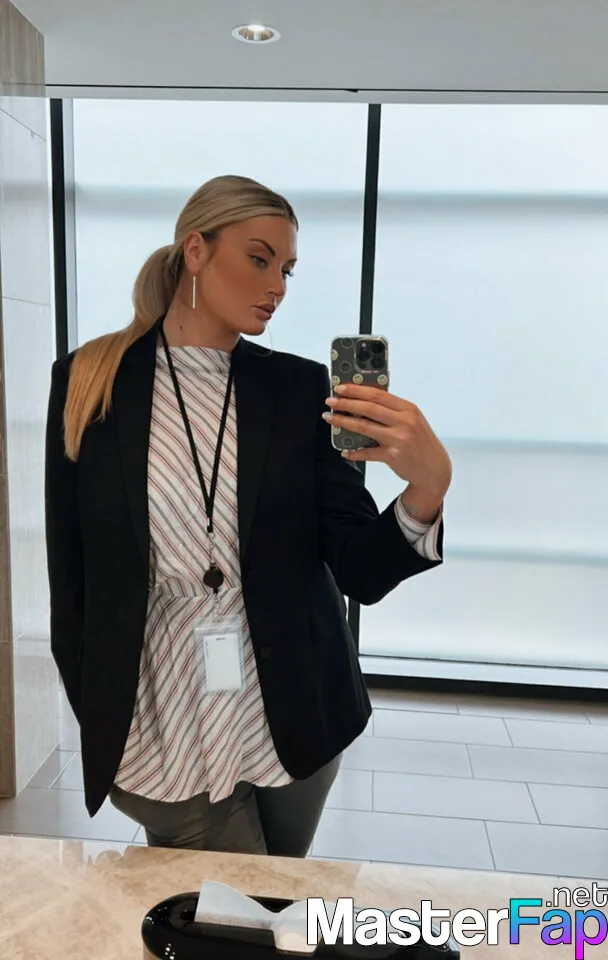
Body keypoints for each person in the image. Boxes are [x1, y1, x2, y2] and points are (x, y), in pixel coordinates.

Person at [45, 174, 451, 857]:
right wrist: (99, 709)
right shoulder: (90, 379)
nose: (276, 286)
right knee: (234, 901)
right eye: (259, 259)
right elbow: (71, 573)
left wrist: (428, 487)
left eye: (286, 269)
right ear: (195, 250)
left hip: (293, 711)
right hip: (159, 716)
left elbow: (359, 569)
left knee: (272, 898)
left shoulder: (297, 388)